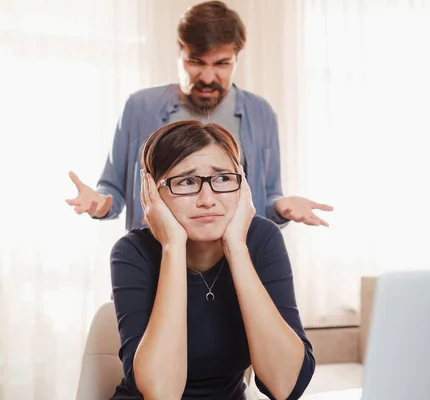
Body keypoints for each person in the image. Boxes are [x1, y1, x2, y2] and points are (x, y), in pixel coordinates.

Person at [66, 1, 333, 231]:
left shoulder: (260, 113)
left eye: (221, 64)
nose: (207, 77)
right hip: (154, 265)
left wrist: (281, 207)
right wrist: (99, 204)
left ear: (236, 59)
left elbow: (268, 197)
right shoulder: (139, 107)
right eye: (195, 62)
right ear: (179, 54)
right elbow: (112, 190)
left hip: (234, 270)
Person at [109, 120, 315, 400]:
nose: (207, 199)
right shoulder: (133, 251)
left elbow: (285, 385)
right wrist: (172, 246)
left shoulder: (262, 238)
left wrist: (237, 248)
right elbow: (161, 393)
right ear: (152, 194)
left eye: (222, 179)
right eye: (186, 182)